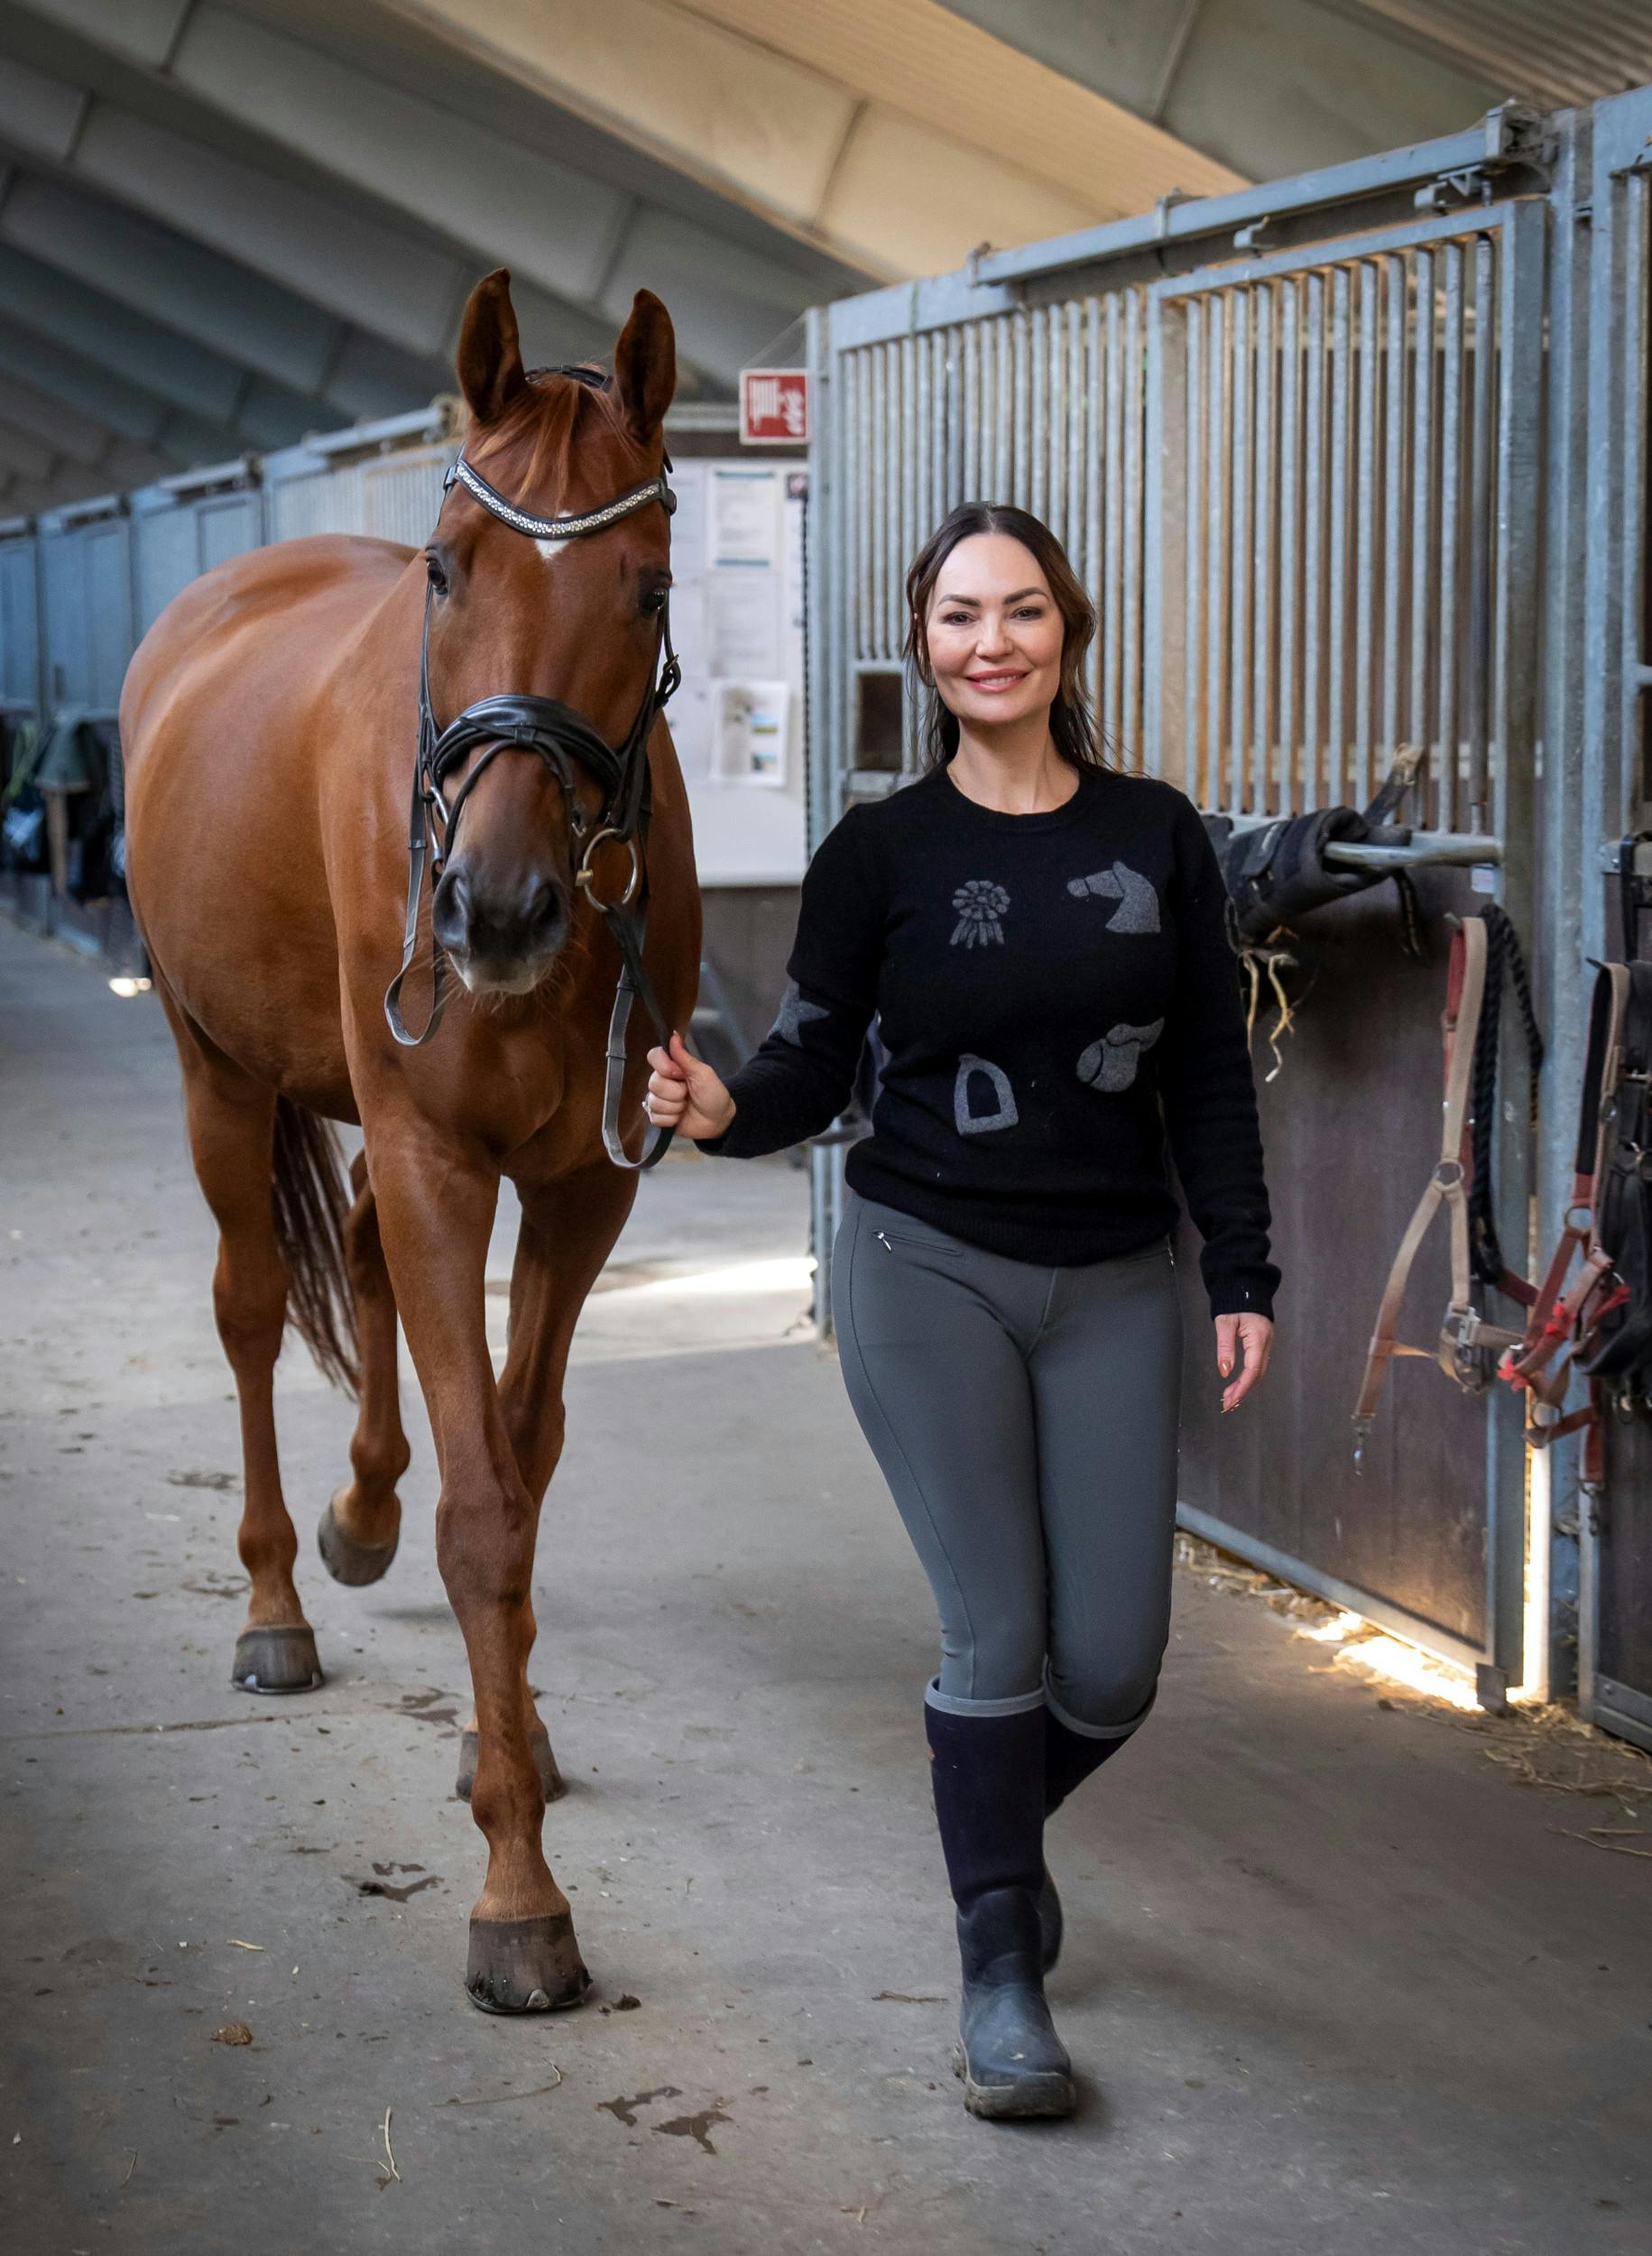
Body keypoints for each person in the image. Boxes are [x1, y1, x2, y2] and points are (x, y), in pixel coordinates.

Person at [646, 501, 1278, 2122]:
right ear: (921, 645)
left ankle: (993, 1835)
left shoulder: (1156, 834)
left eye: (1019, 611)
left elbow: (1209, 1069)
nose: (989, 641)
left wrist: (1248, 1272)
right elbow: (809, 1060)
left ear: (1067, 629)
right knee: (995, 1630)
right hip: (924, 1263)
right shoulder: (881, 852)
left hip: (1119, 1279)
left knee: (1117, 1665)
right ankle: (1001, 1961)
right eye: (956, 616)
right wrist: (725, 1113)